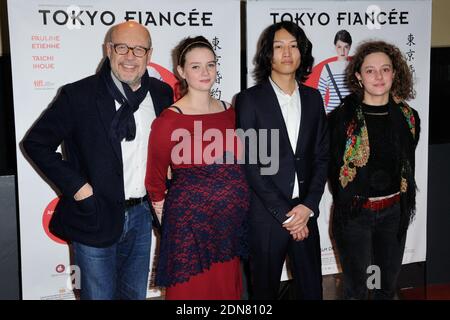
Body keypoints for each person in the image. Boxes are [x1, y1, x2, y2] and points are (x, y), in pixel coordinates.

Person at [22, 21, 173, 300]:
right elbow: (36, 143)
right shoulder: (78, 95)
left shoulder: (161, 95)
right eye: (122, 48)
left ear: (149, 55)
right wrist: (79, 188)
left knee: (134, 296)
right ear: (108, 50)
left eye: (139, 49)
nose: (130, 56)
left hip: (141, 215)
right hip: (94, 214)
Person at [145, 36, 249, 300]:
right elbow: (155, 181)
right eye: (195, 66)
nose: (205, 73)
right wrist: (169, 221)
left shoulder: (232, 112)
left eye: (210, 65)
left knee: (226, 293)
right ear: (181, 71)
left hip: (229, 226)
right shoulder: (168, 120)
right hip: (189, 227)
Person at [235, 21, 329, 300]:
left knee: (312, 291)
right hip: (267, 217)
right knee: (263, 293)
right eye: (279, 47)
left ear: (302, 53)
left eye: (293, 46)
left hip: (305, 214)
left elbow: (322, 156)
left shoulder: (313, 99)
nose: (287, 53)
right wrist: (286, 214)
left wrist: (308, 206)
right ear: (268, 54)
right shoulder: (249, 100)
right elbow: (249, 163)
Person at [328, 40, 420, 300]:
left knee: (384, 288)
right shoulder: (341, 118)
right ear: (358, 76)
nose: (378, 76)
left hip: (392, 215)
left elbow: (406, 164)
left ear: (395, 73)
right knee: (357, 290)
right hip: (355, 215)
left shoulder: (408, 117)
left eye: (385, 69)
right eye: (370, 70)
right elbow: (333, 169)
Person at [318, 30, 352, 113]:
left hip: (351, 114)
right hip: (333, 115)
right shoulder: (327, 67)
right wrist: (325, 112)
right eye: (339, 47)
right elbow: (320, 93)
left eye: (346, 47)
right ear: (335, 47)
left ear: (350, 47)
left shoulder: (355, 67)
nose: (342, 51)